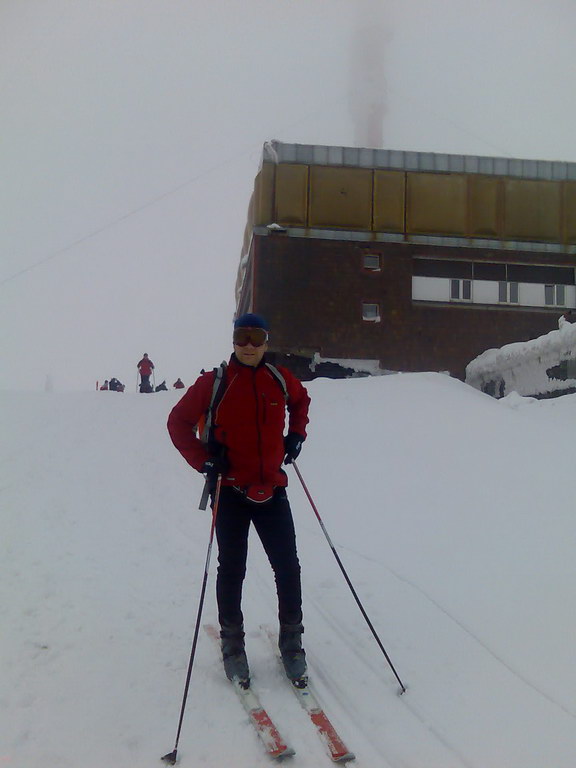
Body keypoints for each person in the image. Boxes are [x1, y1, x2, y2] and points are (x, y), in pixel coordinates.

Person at [167, 313, 310, 684]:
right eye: (241, 337)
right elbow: (178, 422)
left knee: (288, 567)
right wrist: (203, 460)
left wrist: (296, 436)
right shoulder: (214, 383)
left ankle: (292, 643)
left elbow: (302, 400)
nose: (249, 345)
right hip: (229, 490)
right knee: (232, 570)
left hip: (272, 489)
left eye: (256, 337)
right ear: (233, 341)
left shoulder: (279, 378)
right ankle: (233, 645)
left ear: (266, 341)